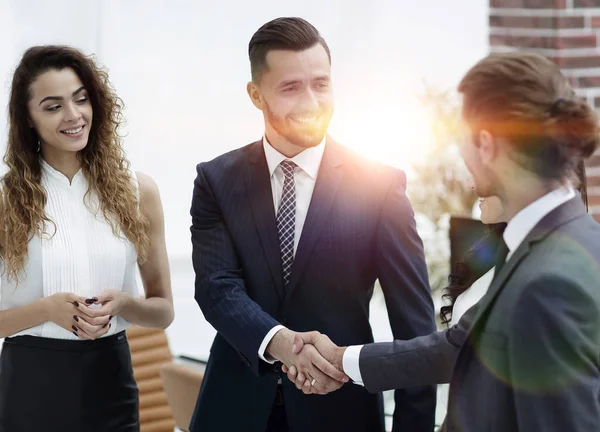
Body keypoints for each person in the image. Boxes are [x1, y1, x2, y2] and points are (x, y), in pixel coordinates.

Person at [285, 52, 600, 431]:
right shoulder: (554, 242)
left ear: (485, 144)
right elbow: (460, 346)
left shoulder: (549, 284)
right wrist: (340, 359)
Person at [189, 17, 436, 432]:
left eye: (320, 84)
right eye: (290, 87)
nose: (311, 102)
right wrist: (284, 345)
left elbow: (415, 331)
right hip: (235, 408)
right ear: (255, 94)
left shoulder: (380, 185)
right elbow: (217, 290)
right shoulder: (217, 179)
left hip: (343, 412)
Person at [0, 45, 174, 432]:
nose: (73, 115)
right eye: (52, 106)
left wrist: (127, 303)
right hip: (31, 388)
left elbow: (164, 311)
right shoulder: (4, 201)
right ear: (27, 117)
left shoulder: (137, 192)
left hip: (111, 383)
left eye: (81, 99)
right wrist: (46, 311)